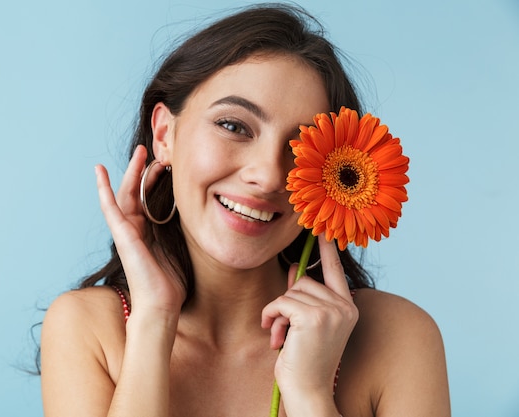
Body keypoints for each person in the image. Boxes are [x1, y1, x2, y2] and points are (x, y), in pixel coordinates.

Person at [39, 4, 451, 416]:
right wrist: (153, 320)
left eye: (299, 148)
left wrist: (310, 396)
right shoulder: (87, 328)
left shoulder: (398, 338)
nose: (268, 176)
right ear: (164, 133)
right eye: (234, 126)